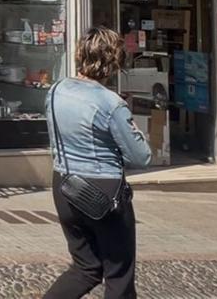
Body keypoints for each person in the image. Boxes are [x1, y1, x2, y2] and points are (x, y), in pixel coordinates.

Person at [44, 27, 152, 299]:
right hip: (104, 191)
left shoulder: (56, 90)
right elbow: (141, 156)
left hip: (64, 184)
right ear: (114, 62)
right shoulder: (111, 103)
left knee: (85, 267)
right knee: (119, 274)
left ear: (81, 54)